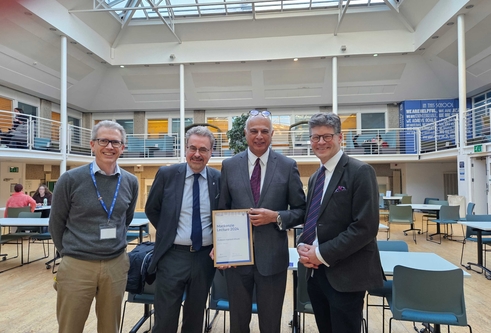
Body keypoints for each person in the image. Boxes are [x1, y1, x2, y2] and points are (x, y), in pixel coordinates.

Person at [218, 109, 306, 333]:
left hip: (273, 261)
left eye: (264, 131)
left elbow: (301, 210)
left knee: (270, 324)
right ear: (245, 134)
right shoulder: (229, 166)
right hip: (237, 261)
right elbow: (222, 209)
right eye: (254, 131)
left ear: (272, 134)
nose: (259, 135)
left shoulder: (287, 166)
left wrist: (276, 216)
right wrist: (222, 249)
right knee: (238, 324)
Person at [296, 113, 384, 333]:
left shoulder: (360, 171)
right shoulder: (316, 177)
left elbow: (365, 228)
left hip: (346, 275)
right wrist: (304, 244)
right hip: (316, 275)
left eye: (327, 136)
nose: (321, 142)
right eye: (315, 137)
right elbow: (314, 219)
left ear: (340, 137)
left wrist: (321, 253)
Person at [49, 120, 139, 333]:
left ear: (122, 148)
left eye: (115, 142)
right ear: (92, 144)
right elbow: (56, 223)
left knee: (110, 328)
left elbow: (125, 219)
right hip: (77, 264)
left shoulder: (130, 181)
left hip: (115, 264)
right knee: (70, 327)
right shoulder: (70, 179)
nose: (109, 147)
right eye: (103, 141)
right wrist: (69, 252)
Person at [145, 126, 220, 333]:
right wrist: (168, 232)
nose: (197, 154)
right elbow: (152, 208)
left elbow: (223, 215)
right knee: (166, 318)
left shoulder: (218, 179)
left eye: (203, 149)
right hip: (172, 256)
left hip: (205, 258)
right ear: (185, 149)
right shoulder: (167, 174)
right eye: (192, 148)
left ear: (211, 152)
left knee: (195, 317)